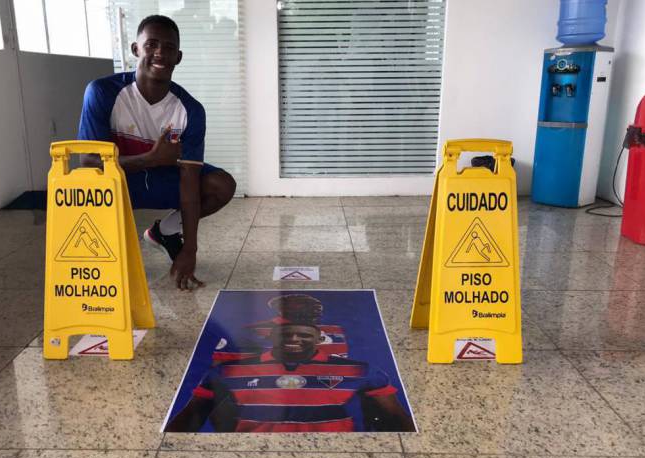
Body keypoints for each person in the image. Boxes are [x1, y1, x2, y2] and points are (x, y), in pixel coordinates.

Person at [77, 15, 236, 291]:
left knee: (222, 185)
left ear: (179, 57)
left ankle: (165, 232)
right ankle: (105, 250)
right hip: (121, 184)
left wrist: (190, 249)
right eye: (151, 44)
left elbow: (189, 180)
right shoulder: (102, 92)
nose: (160, 52)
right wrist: (150, 158)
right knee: (89, 184)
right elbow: (89, 162)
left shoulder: (190, 110)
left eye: (169, 47)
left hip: (163, 181)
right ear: (135, 49)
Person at [167, 323, 415, 432]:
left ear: (318, 340)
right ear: (272, 338)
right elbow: (192, 414)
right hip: (252, 450)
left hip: (337, 451)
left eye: (304, 335)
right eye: (286, 335)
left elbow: (395, 417)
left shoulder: (361, 370)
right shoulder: (227, 370)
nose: (294, 339)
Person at [212, 294, 349, 363]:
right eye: (303, 307)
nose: (315, 312)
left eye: (316, 310)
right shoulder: (254, 331)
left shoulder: (333, 332)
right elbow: (226, 358)